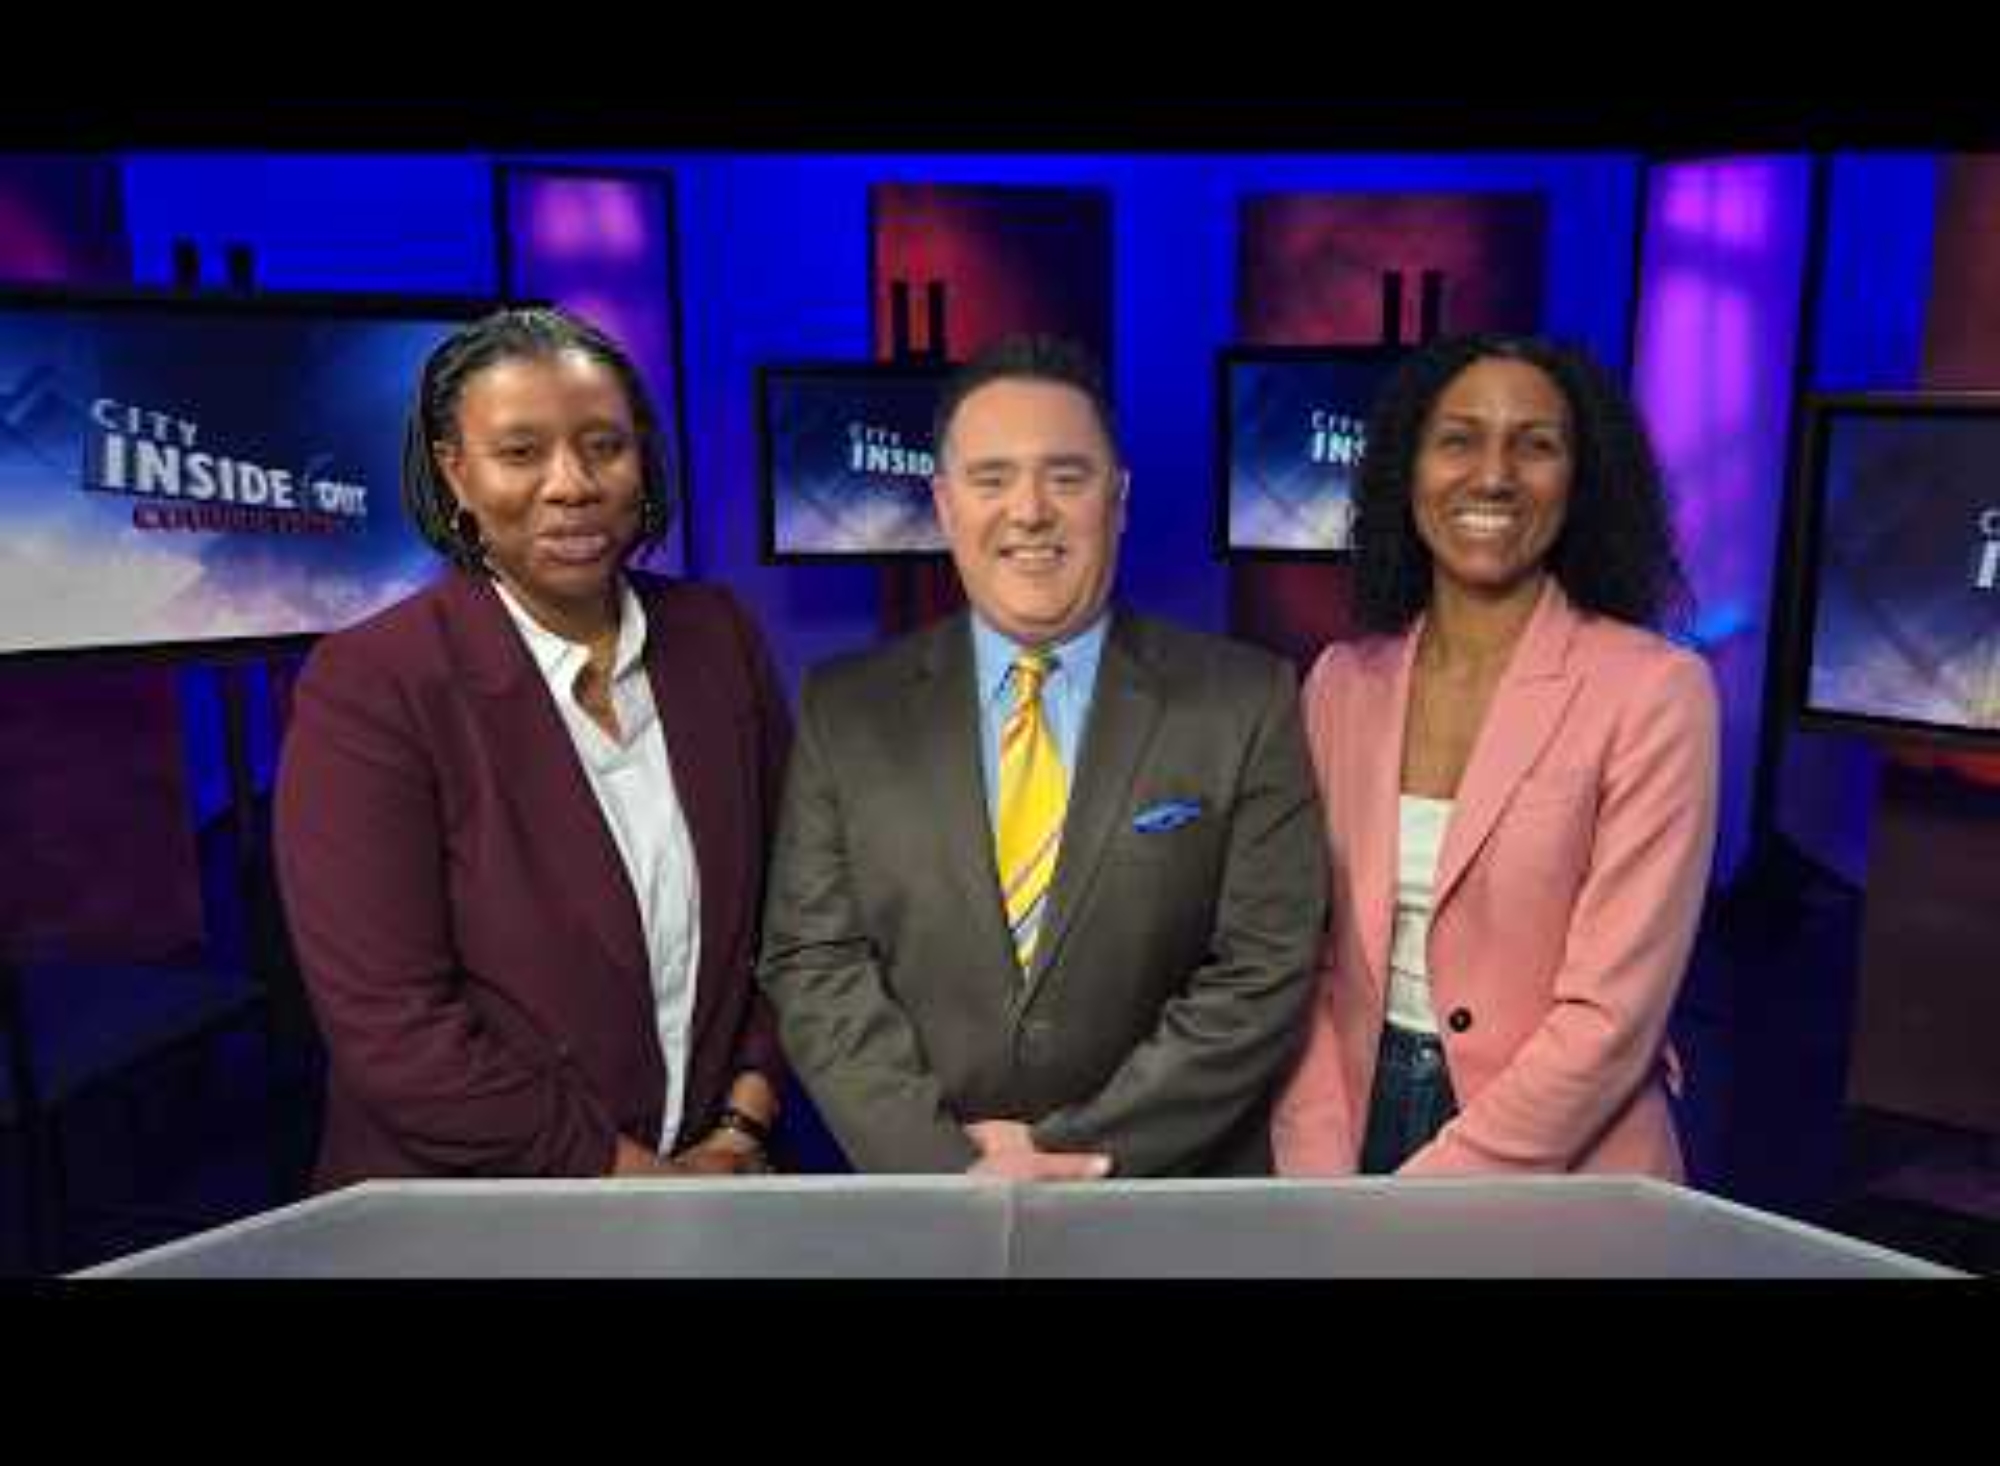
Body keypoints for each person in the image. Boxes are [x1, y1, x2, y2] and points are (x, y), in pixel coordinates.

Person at [757, 334, 1327, 1179]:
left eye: (1066, 477)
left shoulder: (1247, 699)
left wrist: (1071, 1152)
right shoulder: (845, 708)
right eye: (991, 479)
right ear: (945, 504)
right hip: (928, 1198)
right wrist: (945, 1163)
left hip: (1168, 1197)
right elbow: (815, 962)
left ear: (1118, 499)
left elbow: (1262, 970)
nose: (1029, 511)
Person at [275, 307, 789, 1189]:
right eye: (520, 453)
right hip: (477, 1211)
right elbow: (395, 1034)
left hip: (721, 1171)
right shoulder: (374, 683)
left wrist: (742, 1125)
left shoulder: (718, 634)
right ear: (456, 473)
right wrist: (640, 1183)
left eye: (604, 446)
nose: (571, 485)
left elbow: (798, 915)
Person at [1273, 333, 1719, 1179]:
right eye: (1458, 440)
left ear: (1580, 480)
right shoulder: (1339, 682)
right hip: (1351, 1120)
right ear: (1407, 470)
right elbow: (1306, 962)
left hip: (1565, 1155)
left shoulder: (1655, 691)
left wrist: (1427, 1197)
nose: (1493, 476)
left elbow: (1612, 1017)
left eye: (1535, 445)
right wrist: (1321, 1174)